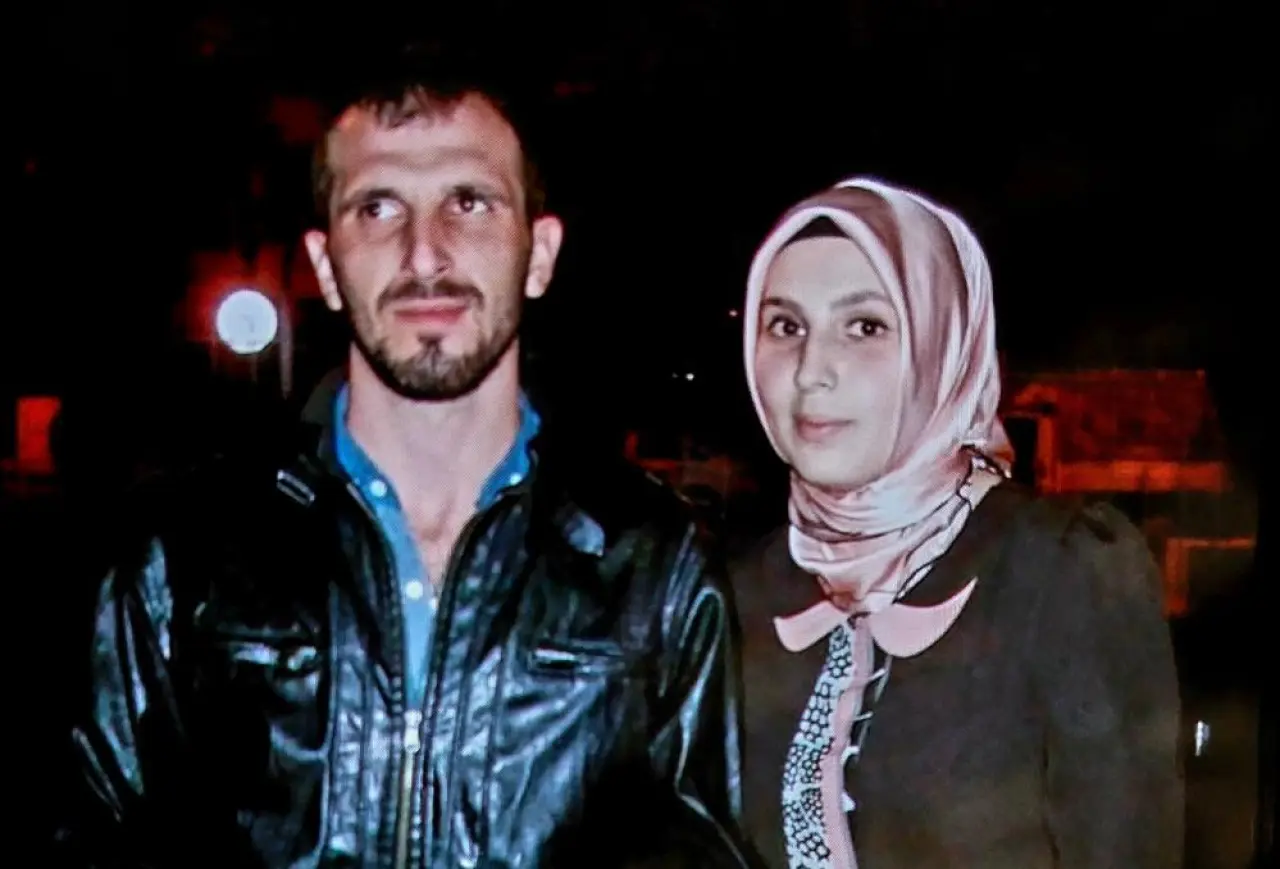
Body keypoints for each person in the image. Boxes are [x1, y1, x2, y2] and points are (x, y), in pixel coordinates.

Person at [56, 46, 753, 869]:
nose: (425, 254)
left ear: (539, 254)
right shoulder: (185, 554)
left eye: (470, 202)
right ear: (325, 265)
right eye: (379, 208)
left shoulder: (653, 563)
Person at [730, 177, 1184, 868]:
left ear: (942, 343)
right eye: (786, 327)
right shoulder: (734, 594)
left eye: (865, 326)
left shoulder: (1059, 567)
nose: (811, 371)